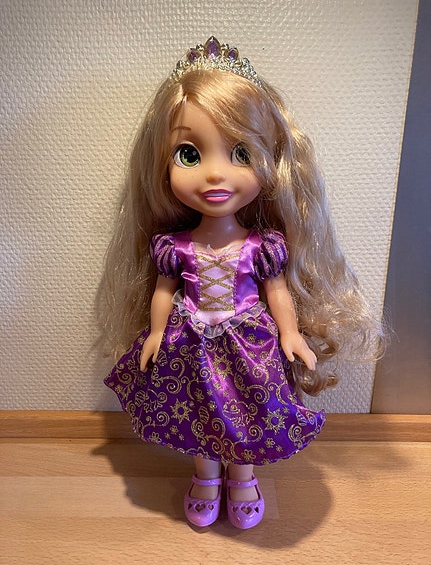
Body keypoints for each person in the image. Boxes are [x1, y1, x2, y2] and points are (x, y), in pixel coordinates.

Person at [98, 37, 385, 529]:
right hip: (189, 341)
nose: (215, 174)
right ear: (162, 163)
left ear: (270, 162)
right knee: (198, 408)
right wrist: (154, 333)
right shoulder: (175, 247)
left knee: (248, 408)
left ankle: (243, 477)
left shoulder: (261, 246)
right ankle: (206, 476)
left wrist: (290, 333)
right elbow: (164, 290)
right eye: (189, 154)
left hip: (249, 343)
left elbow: (276, 292)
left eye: (240, 153)